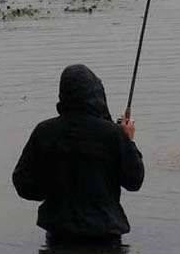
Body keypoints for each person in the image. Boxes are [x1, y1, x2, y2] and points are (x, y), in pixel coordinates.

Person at [13, 64, 144, 244]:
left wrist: (53, 195)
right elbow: (135, 181)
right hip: (106, 236)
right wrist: (129, 140)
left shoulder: (44, 131)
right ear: (97, 94)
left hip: (58, 235)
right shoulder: (114, 134)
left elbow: (23, 183)